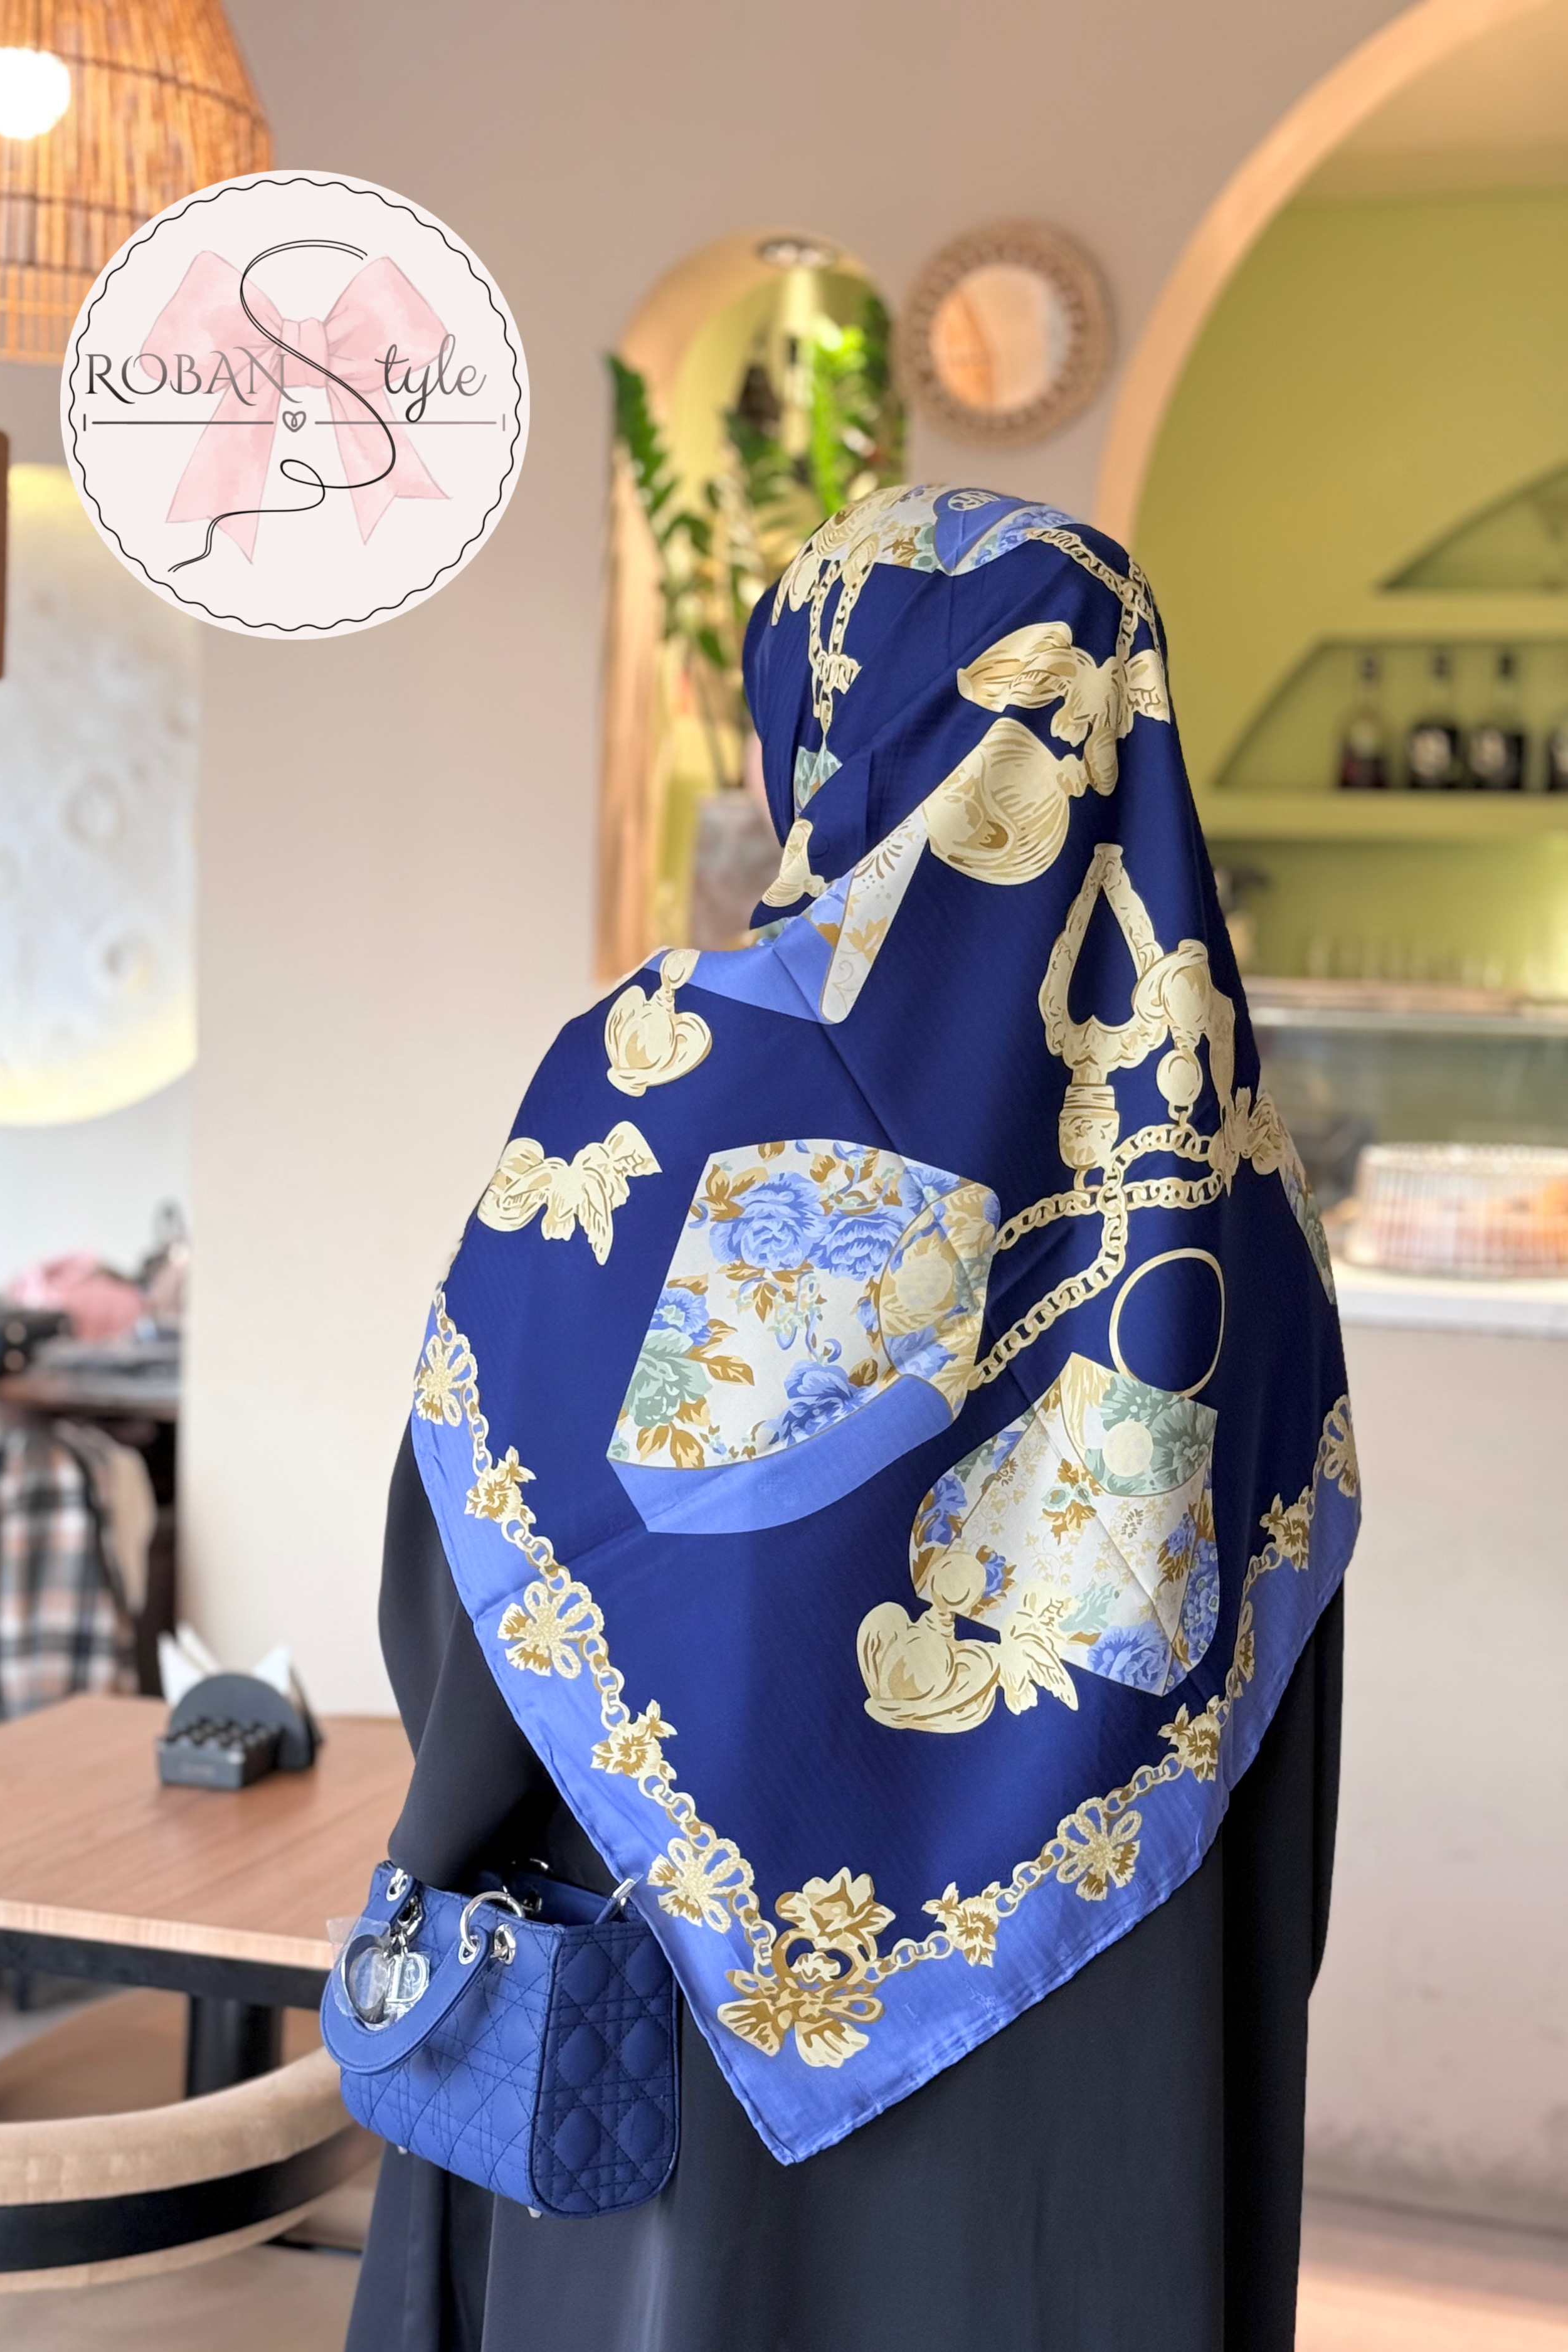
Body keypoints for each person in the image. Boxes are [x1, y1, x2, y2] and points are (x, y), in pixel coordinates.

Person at [346, 486, 1355, 2352]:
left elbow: (488, 1566)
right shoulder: (1231, 1202)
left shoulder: (673, 1086)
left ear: (825, 724)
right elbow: (1276, 1738)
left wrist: (458, 1831)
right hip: (1102, 2074)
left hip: (673, 2057)